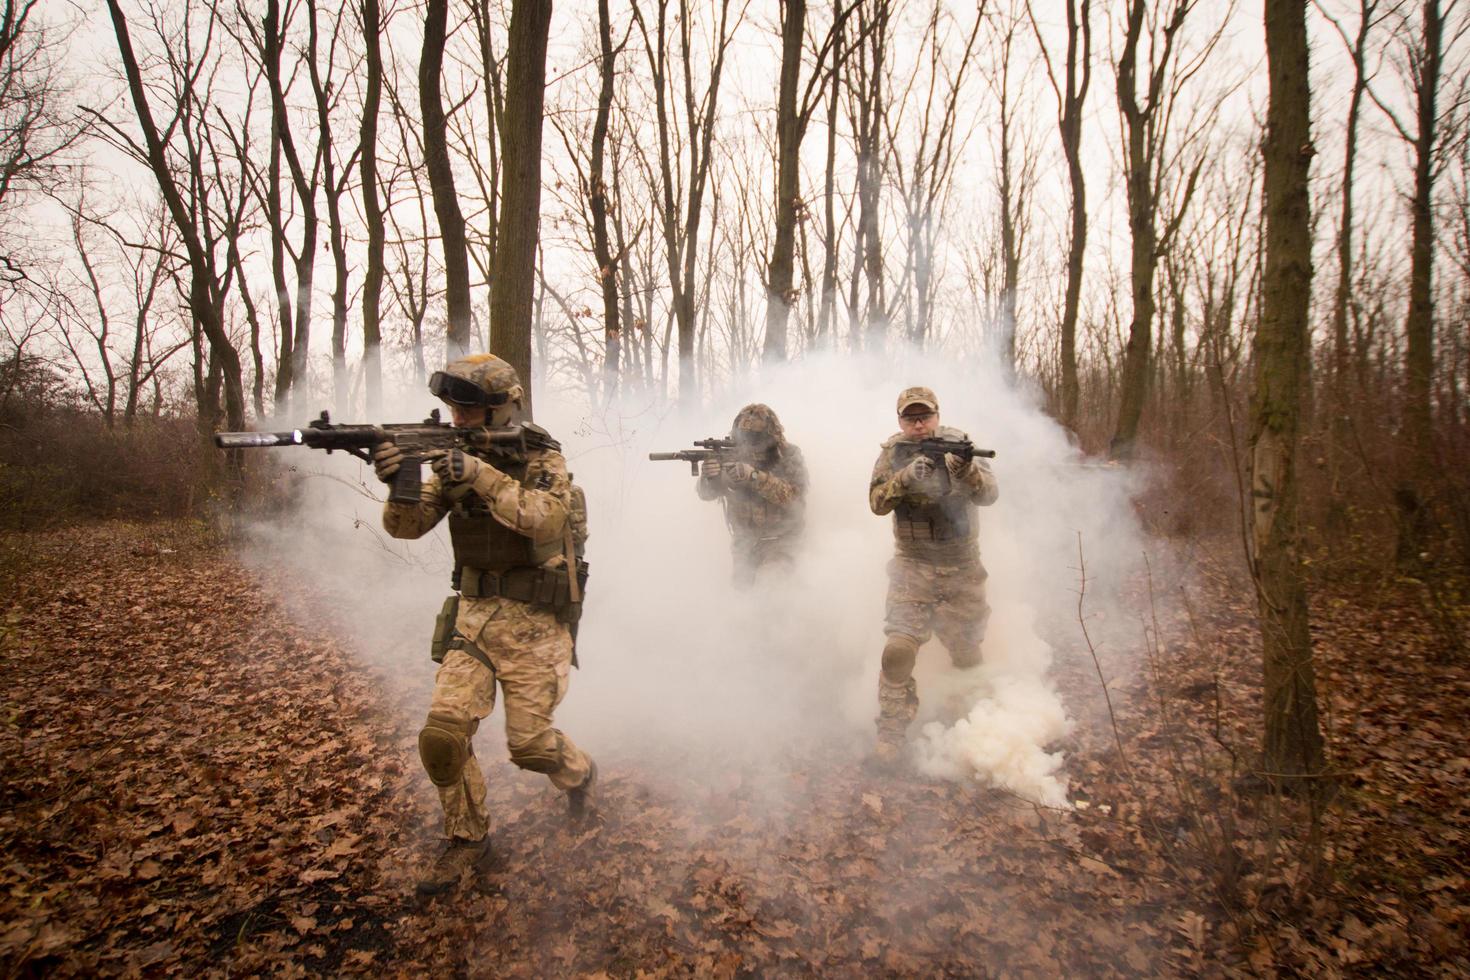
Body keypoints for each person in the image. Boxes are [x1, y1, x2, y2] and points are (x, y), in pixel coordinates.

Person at [371, 354, 596, 896]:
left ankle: (581, 774)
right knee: (442, 737)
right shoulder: (453, 456)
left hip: (536, 626)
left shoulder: (544, 461)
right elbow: (407, 526)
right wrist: (400, 479)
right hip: (473, 620)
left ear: (501, 409)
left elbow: (545, 518)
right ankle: (468, 841)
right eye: (453, 408)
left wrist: (479, 474)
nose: (458, 418)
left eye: (468, 410)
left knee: (529, 746)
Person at [867, 386, 999, 764]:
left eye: (925, 416)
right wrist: (904, 478)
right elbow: (877, 503)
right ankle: (890, 735)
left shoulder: (961, 446)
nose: (919, 424)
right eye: (910, 418)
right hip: (912, 566)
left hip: (962, 568)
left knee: (966, 651)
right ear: (900, 422)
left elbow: (990, 495)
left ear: (937, 416)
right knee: (897, 650)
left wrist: (969, 472)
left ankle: (980, 725)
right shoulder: (892, 455)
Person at [696, 403, 808, 587]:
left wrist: (753, 476)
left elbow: (794, 499)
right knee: (744, 598)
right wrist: (710, 477)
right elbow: (706, 494)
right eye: (744, 436)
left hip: (781, 543)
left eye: (755, 437)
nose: (748, 442)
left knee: (775, 593)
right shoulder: (730, 454)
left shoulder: (788, 455)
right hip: (744, 544)